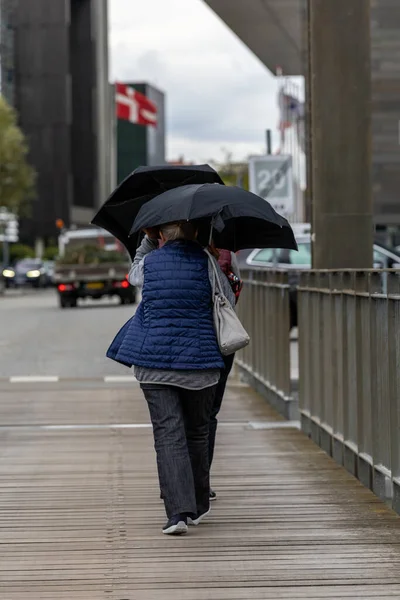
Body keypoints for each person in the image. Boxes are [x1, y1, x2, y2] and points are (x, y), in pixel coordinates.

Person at [107, 221, 235, 535]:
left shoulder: (149, 262)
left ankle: (177, 513)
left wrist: (149, 242)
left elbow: (133, 276)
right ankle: (198, 505)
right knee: (197, 432)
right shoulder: (207, 261)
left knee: (168, 434)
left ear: (162, 235)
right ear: (196, 233)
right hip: (200, 363)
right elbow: (227, 300)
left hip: (154, 362)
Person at [207, 244, 242, 501]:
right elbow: (231, 298)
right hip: (219, 342)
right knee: (208, 414)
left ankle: (178, 480)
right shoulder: (225, 253)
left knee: (176, 421)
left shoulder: (159, 252)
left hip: (176, 347)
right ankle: (200, 481)